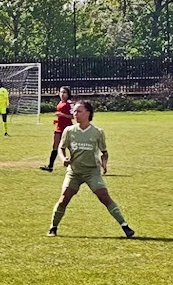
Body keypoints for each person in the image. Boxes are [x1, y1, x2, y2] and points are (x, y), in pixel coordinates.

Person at [46, 100, 135, 238]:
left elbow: (104, 152)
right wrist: (63, 159)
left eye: (79, 111)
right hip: (74, 172)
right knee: (64, 198)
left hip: (91, 172)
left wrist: (104, 164)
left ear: (88, 113)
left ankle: (125, 226)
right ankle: (53, 227)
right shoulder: (69, 131)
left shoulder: (97, 132)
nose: (75, 114)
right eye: (74, 111)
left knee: (104, 197)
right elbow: (61, 148)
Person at [40, 85, 73, 171]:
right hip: (59, 128)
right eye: (61, 92)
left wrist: (62, 115)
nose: (62, 94)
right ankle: (50, 166)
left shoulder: (69, 104)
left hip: (67, 128)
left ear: (68, 94)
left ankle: (74, 165)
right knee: (55, 146)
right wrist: (57, 121)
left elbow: (73, 116)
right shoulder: (60, 103)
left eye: (64, 92)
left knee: (71, 147)